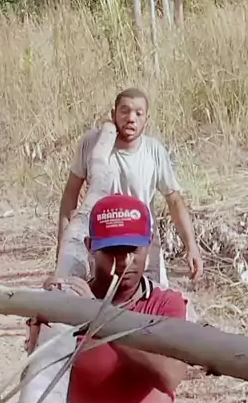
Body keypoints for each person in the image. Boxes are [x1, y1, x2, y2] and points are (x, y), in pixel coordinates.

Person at [26, 194, 190, 403]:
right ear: (90, 246)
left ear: (149, 244)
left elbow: (169, 375)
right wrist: (43, 322)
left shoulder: (165, 304)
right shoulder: (71, 305)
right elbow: (40, 385)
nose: (124, 262)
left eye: (133, 249)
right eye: (113, 251)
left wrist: (99, 318)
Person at [56, 87, 203, 288]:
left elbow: (174, 200)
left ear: (146, 120)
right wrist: (63, 246)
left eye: (138, 113)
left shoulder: (154, 151)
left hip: (142, 247)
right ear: (113, 114)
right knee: (93, 299)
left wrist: (191, 246)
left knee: (150, 300)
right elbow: (70, 195)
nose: (131, 118)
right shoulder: (92, 144)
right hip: (102, 246)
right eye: (124, 111)